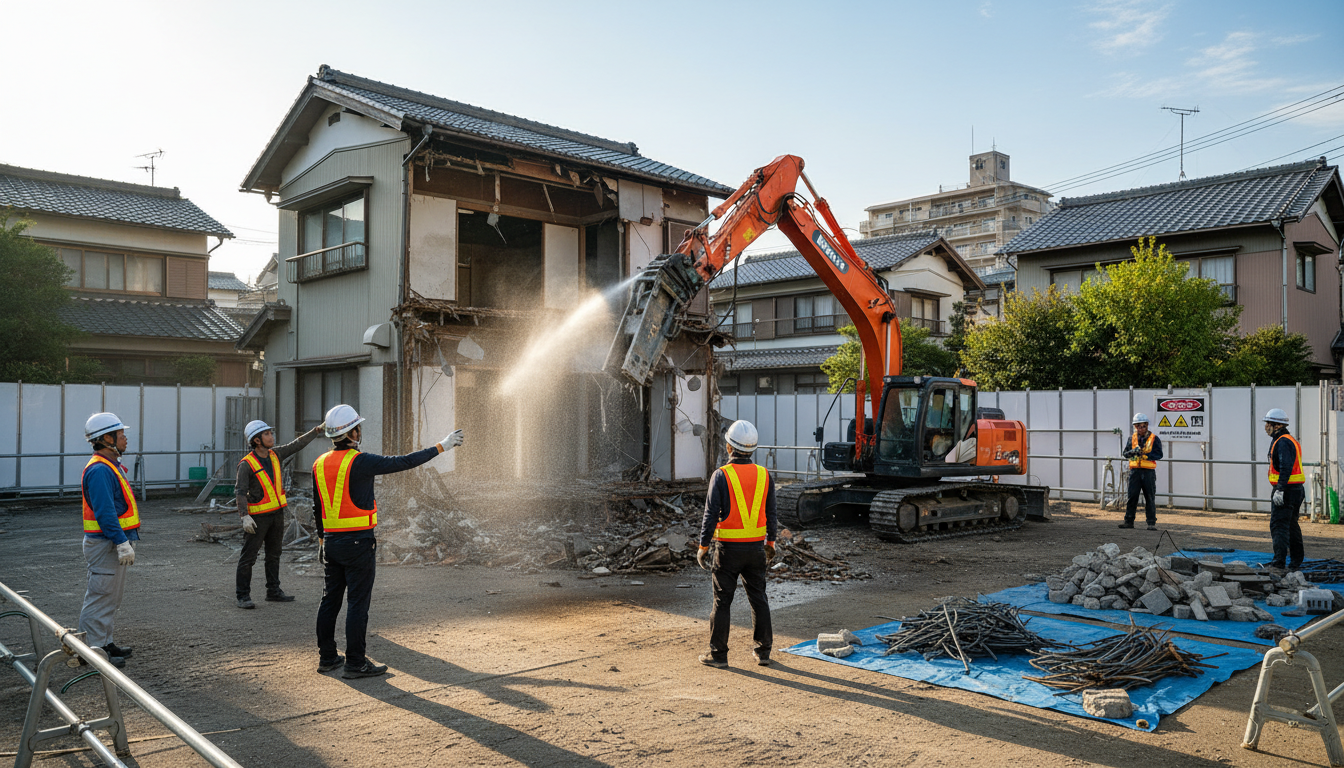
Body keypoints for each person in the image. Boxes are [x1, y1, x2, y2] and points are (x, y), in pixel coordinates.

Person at [313, 404, 463, 679]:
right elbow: (402, 462)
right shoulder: (360, 461)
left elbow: (317, 506)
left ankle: (327, 658)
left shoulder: (319, 464)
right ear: (353, 432)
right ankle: (356, 663)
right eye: (359, 428)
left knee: (330, 601)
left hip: (332, 543)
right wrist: (441, 447)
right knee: (358, 604)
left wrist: (322, 541)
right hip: (358, 543)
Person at [696, 420, 776, 669]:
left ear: (729, 447)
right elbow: (771, 514)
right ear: (752, 449)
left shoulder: (721, 475)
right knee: (759, 598)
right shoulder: (764, 475)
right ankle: (763, 652)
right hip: (755, 549)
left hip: (728, 551)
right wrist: (770, 543)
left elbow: (710, 515)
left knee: (722, 602)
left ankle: (718, 655)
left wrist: (703, 547)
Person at [234, 419, 324, 609]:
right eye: (266, 434)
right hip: (257, 518)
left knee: (274, 554)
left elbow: (296, 444)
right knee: (248, 557)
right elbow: (240, 491)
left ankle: (273, 591)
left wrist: (316, 430)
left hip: (276, 515)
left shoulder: (276, 455)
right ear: (256, 440)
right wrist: (244, 516)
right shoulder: (246, 465)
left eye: (270, 433)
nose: (271, 436)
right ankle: (243, 596)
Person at [78, 412, 140, 668]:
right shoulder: (100, 470)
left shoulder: (109, 465)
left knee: (110, 597)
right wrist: (121, 542)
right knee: (100, 595)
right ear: (106, 438)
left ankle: (104, 643)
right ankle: (90, 653)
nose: (125, 438)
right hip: (107, 544)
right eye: (121, 434)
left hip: (112, 542)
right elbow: (105, 513)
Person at [1263, 408, 1305, 571]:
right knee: (1291, 525)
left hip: (1286, 490)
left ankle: (1279, 562)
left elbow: (1286, 466)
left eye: (1268, 423)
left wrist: (1280, 489)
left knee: (1279, 525)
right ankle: (1295, 561)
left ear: (1277, 425)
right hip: (1295, 489)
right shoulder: (1288, 440)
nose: (1266, 426)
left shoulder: (1282, 442)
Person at [1119, 412, 1163, 531]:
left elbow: (1159, 454)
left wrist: (1147, 456)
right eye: (1138, 426)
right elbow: (1125, 454)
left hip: (1148, 472)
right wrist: (1133, 452)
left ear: (1147, 425)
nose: (1140, 428)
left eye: (1142, 426)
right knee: (1132, 496)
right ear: (1135, 427)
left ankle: (1151, 523)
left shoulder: (1154, 439)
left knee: (1150, 497)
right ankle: (1128, 521)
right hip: (1135, 472)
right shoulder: (1131, 439)